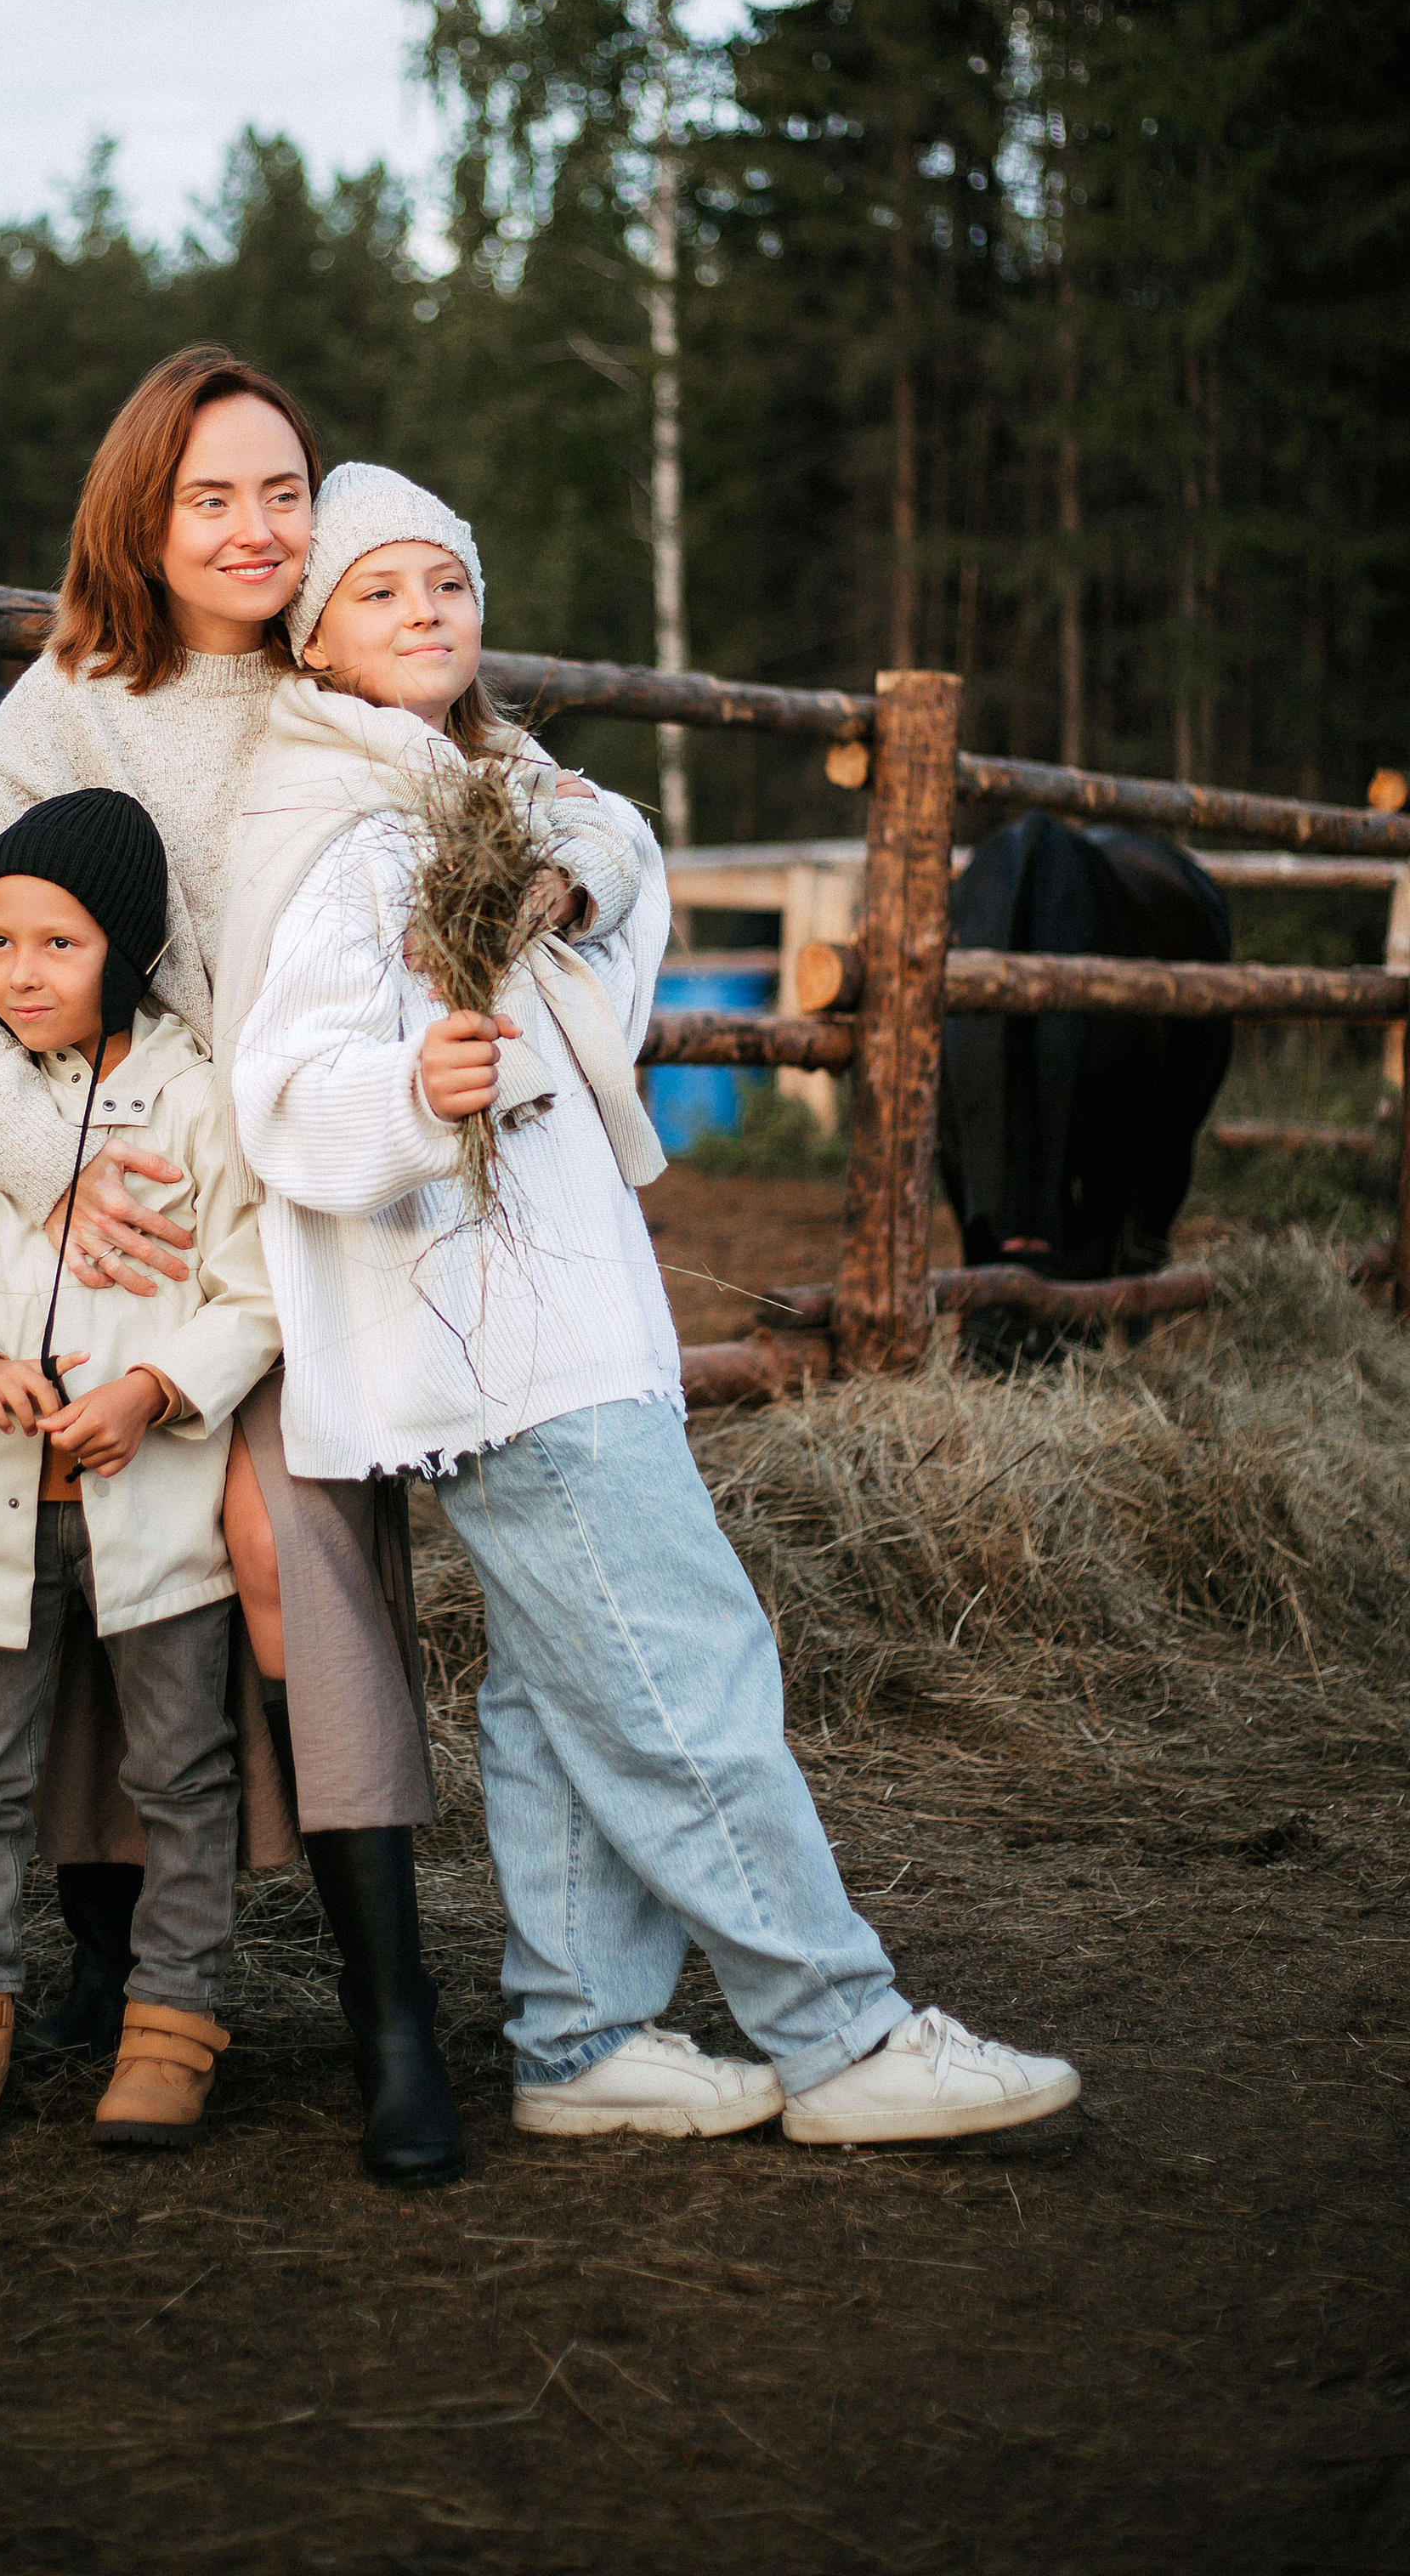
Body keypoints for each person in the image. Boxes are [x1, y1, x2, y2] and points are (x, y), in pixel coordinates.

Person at [226, 464, 1084, 2148]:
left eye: (445, 587)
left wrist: (572, 889)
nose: (424, 615)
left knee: (560, 1691)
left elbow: (614, 840)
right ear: (313, 636)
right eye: (379, 592)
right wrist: (413, 1089)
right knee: (677, 1663)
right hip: (484, 1328)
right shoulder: (331, 827)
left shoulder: (488, 779)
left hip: (562, 1302)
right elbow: (285, 1086)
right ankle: (836, 2036)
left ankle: (578, 2037)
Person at [0, 346, 467, 2183]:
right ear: (139, 515)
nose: (251, 528)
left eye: (281, 492)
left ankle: (393, 2020)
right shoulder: (71, 704)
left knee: (275, 1544)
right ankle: (109, 1969)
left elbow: (535, 804)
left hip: (312, 1207)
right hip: (133, 1219)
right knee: (83, 1508)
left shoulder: (350, 678)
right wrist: (42, 1177)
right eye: (208, 495)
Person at [0, 791, 279, 2154]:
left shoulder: (195, 1097)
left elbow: (256, 1286)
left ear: (129, 947)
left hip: (152, 1509)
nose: (19, 974)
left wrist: (159, 1388)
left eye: (57, 943)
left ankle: (173, 2025)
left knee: (178, 1772)